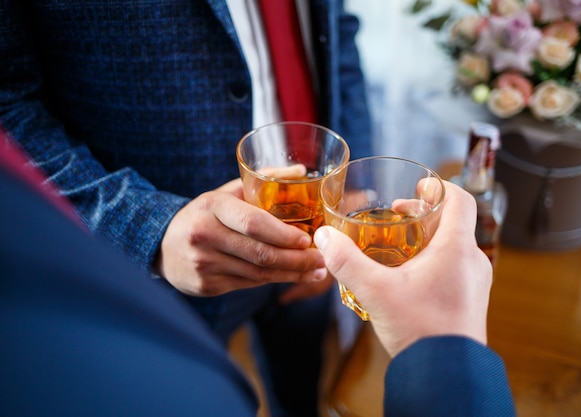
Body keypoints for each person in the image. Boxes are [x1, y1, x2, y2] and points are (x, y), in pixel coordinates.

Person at [0, 2, 372, 416]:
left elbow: (337, 30)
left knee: (303, 380)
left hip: (320, 224)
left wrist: (350, 186)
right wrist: (151, 229)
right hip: (165, 274)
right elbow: (8, 105)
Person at [0, 132, 515, 416]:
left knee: (304, 370)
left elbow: (338, 44)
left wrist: (441, 345)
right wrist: (152, 227)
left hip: (317, 262)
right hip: (188, 276)